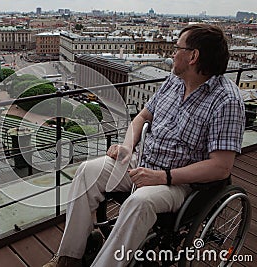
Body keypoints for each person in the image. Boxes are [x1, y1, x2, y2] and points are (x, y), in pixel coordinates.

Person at [43, 24, 245, 267]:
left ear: (193, 56)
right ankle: (69, 257)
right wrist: (128, 147)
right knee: (87, 171)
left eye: (177, 48)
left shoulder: (227, 101)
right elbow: (141, 117)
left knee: (139, 203)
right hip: (142, 162)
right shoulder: (174, 81)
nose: (172, 53)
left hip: (179, 183)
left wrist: (163, 176)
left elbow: (221, 167)